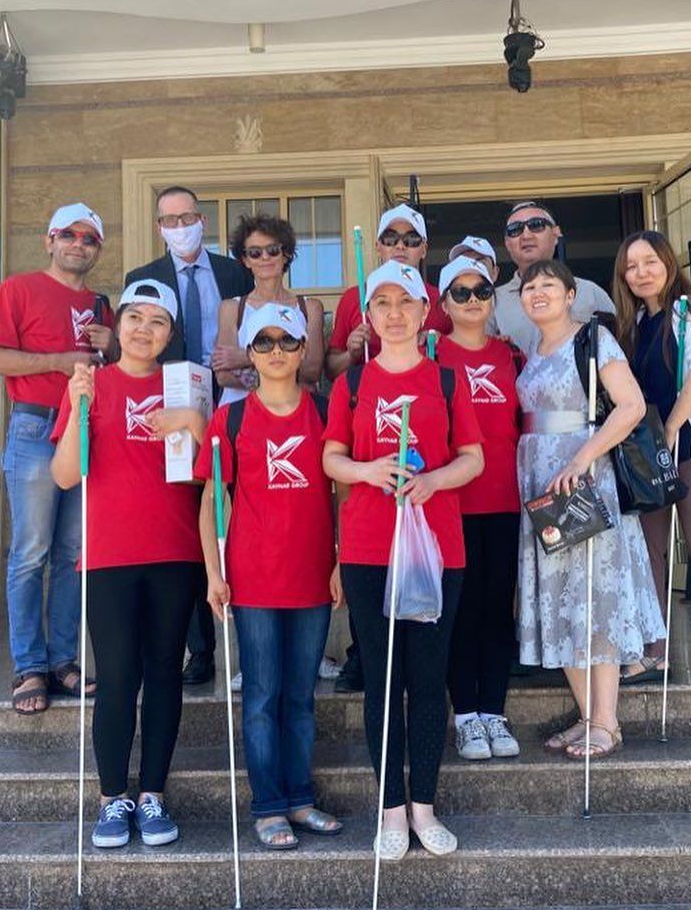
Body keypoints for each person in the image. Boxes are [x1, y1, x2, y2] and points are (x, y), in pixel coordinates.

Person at [322, 260, 484, 860]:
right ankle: (391, 809)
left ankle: (425, 807)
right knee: (384, 681)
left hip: (436, 548)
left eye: (405, 302)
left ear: (423, 312)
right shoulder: (352, 384)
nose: (394, 313)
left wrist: (434, 480)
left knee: (427, 678)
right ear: (368, 314)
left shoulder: (447, 380)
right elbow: (331, 458)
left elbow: (473, 458)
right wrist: (368, 470)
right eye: (382, 303)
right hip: (369, 548)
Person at [51, 279, 206, 849]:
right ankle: (112, 796)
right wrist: (79, 407)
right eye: (135, 317)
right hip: (109, 555)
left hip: (175, 550)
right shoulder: (91, 384)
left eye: (157, 321)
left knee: (164, 670)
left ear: (170, 333)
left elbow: (210, 470)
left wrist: (193, 422)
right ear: (117, 325)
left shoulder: (187, 387)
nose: (144, 329)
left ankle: (153, 793)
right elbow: (64, 475)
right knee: (118, 675)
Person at [196, 303, 343, 850]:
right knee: (261, 695)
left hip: (312, 577)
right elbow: (211, 500)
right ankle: (268, 806)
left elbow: (344, 493)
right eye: (264, 342)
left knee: (301, 696)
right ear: (250, 355)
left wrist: (341, 559)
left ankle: (300, 798)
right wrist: (213, 572)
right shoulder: (230, 419)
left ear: (303, 350)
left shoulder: (326, 412)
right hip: (253, 579)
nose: (276, 351)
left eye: (287, 341)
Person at [516, 259, 665, 759]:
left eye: (548, 285)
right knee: (561, 597)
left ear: (570, 294)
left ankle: (607, 722)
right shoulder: (531, 349)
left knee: (595, 599)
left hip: (585, 481)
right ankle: (586, 716)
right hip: (541, 487)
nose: (538, 292)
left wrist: (581, 459)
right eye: (529, 287)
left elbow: (631, 405)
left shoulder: (594, 340)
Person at [0, 202, 117, 716]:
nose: (79, 244)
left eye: (89, 238)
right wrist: (59, 360)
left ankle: (62, 661)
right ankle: (28, 666)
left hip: (84, 428)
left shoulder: (101, 306)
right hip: (35, 426)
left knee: (73, 553)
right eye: (69, 235)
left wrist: (112, 345)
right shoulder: (18, 289)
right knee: (31, 552)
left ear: (98, 249)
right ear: (49, 240)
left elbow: (113, 371)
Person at [125, 185, 251, 686]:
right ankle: (200, 647)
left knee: (237, 515)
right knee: (188, 520)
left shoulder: (234, 273)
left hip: (233, 402)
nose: (180, 227)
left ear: (203, 220)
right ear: (159, 227)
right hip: (173, 408)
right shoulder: (143, 278)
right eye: (170, 220)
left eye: (187, 218)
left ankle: (249, 640)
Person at [613, 230, 691, 685]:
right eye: (631, 266)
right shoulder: (633, 325)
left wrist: (671, 427)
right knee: (648, 551)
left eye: (650, 261)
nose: (641, 273)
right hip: (647, 457)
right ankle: (655, 651)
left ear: (668, 262)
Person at [436, 255, 523, 761]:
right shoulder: (432, 354)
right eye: (461, 292)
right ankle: (466, 716)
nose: (472, 300)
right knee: (461, 611)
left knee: (497, 608)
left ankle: (493, 710)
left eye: (482, 291)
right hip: (451, 502)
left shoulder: (511, 356)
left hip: (504, 499)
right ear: (444, 303)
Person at [325, 203, 450, 380]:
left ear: (424, 249)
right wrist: (351, 355)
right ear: (378, 247)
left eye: (411, 239)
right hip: (369, 394)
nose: (400, 246)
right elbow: (332, 371)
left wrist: (443, 344)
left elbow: (463, 360)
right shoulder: (354, 297)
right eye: (390, 239)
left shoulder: (441, 299)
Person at [211, 212, 325, 405]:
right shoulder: (231, 308)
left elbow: (312, 370)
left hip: (294, 413)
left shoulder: (310, 308)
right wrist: (288, 369)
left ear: (286, 254)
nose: (265, 257)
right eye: (255, 252)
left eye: (273, 250)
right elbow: (224, 375)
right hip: (240, 414)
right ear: (245, 260)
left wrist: (245, 357)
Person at [490, 201, 615, 356]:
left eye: (536, 225)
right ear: (507, 243)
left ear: (556, 234)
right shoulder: (492, 300)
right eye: (515, 230)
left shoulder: (590, 292)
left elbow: (621, 346)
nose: (526, 235)